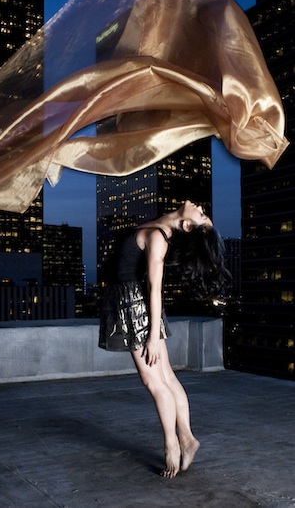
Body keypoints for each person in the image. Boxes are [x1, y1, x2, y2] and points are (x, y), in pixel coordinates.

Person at [99, 200, 230, 478]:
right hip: (135, 306)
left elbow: (155, 288)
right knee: (167, 378)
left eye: (202, 214)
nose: (201, 207)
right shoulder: (157, 226)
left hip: (135, 309)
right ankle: (187, 439)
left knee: (154, 381)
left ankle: (172, 444)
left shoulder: (159, 238)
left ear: (186, 225)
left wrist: (152, 337)